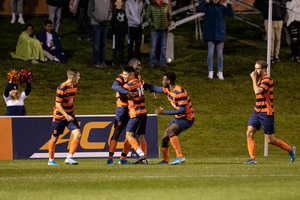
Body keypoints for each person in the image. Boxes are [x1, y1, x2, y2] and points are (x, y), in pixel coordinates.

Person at [245, 60, 296, 164]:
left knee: (270, 140)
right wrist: (255, 79)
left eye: (258, 68)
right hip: (257, 111)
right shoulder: (260, 80)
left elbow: (257, 91)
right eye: (255, 68)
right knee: (249, 132)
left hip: (266, 113)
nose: (255, 70)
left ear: (264, 69)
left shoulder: (267, 79)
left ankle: (290, 149)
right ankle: (252, 159)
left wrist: (253, 79)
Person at [144, 71, 194, 165]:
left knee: (170, 131)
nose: (162, 81)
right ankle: (166, 160)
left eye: (164, 80)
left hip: (187, 118)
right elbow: (155, 88)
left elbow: (182, 110)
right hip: (179, 117)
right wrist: (142, 84)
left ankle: (180, 156)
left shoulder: (180, 92)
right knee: (164, 139)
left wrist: (165, 112)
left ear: (169, 81)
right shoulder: (167, 89)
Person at [108, 58, 145, 165]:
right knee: (118, 131)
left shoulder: (137, 78)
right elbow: (115, 87)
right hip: (122, 108)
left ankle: (122, 159)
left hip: (132, 108)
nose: (140, 67)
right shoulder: (122, 76)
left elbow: (143, 85)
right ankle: (110, 158)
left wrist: (153, 90)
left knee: (130, 133)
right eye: (138, 65)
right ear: (132, 65)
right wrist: (126, 92)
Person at [48, 68, 82, 166]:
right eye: (78, 75)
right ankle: (50, 160)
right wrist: (65, 115)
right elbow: (58, 104)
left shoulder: (75, 86)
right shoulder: (62, 87)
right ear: (73, 77)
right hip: (60, 116)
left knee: (78, 134)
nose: (79, 77)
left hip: (70, 115)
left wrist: (69, 115)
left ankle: (69, 157)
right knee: (54, 138)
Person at [197, 0, 234, 80]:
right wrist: (204, 1)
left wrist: (228, 3)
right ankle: (210, 71)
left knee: (220, 54)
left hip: (220, 35)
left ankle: (220, 72)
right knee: (210, 53)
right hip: (210, 35)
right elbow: (200, 9)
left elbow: (231, 13)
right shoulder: (207, 7)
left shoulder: (221, 8)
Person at [122, 66, 148, 164]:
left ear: (131, 75)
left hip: (135, 113)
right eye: (123, 74)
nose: (124, 76)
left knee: (129, 136)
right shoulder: (139, 81)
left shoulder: (128, 86)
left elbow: (119, 94)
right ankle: (144, 160)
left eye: (125, 74)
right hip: (143, 112)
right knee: (141, 136)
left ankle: (141, 154)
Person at [146, 0, 172, 68]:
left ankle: (163, 63)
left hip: (164, 30)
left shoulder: (166, 5)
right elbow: (148, 16)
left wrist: (167, 25)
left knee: (163, 47)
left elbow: (170, 15)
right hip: (155, 30)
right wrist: (153, 25)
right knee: (153, 47)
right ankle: (152, 63)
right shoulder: (151, 5)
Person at [88, 0, 112, 68]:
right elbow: (90, 11)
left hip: (105, 24)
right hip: (96, 24)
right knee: (97, 44)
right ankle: (97, 61)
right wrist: (98, 20)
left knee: (103, 43)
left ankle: (103, 61)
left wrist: (108, 20)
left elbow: (110, 10)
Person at [112, 0, 127, 67]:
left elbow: (125, 21)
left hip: (122, 32)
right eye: (117, 2)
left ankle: (121, 61)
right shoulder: (113, 12)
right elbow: (112, 21)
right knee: (115, 47)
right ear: (115, 3)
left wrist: (124, 28)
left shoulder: (124, 12)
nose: (119, 4)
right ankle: (115, 61)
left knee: (121, 47)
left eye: (120, 2)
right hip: (115, 32)